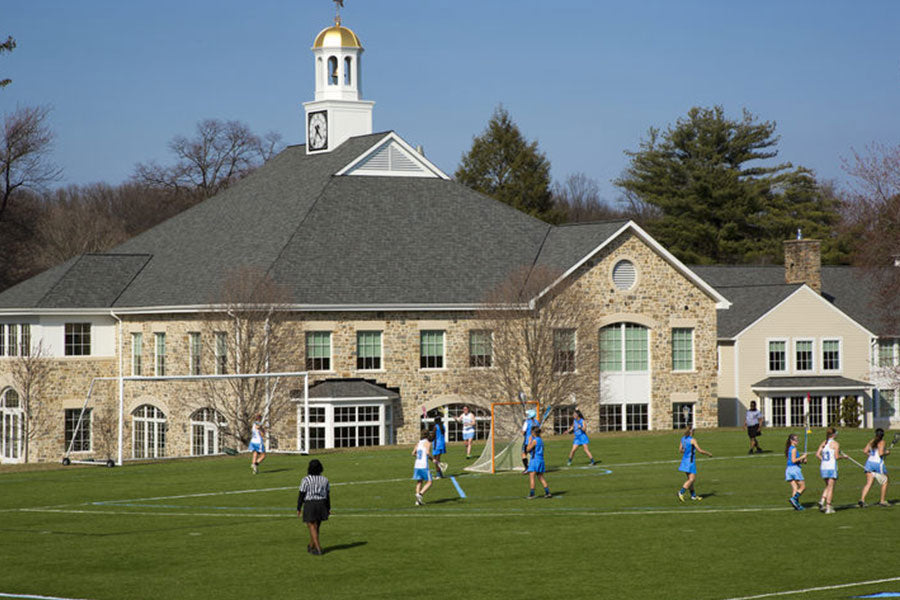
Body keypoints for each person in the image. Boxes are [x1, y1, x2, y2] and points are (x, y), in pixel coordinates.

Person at [297, 459, 330, 556]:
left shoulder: (306, 480)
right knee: (317, 526)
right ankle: (311, 545)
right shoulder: (325, 480)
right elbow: (327, 495)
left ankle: (318, 548)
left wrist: (299, 507)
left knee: (311, 525)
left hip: (310, 503)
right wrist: (328, 508)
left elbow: (302, 494)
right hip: (322, 503)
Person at [677, 426, 712, 502]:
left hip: (684, 461)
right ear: (691, 432)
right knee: (692, 479)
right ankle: (681, 492)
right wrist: (708, 453)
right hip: (690, 462)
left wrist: (686, 451)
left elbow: (680, 450)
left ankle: (693, 496)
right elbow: (700, 450)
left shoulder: (683, 438)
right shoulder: (692, 440)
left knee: (690, 479)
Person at [859, 427, 890, 508]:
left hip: (869, 463)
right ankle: (882, 501)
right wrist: (887, 452)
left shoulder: (872, 441)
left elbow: (865, 451)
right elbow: (880, 453)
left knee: (869, 483)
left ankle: (862, 499)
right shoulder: (882, 442)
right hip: (877, 464)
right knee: (885, 481)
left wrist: (872, 455)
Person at [815, 427, 842, 514]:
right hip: (831, 467)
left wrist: (823, 460)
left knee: (827, 485)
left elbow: (817, 454)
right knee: (831, 487)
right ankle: (828, 506)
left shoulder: (824, 442)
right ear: (833, 434)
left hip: (823, 467)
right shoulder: (835, 444)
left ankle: (822, 501)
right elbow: (837, 457)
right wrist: (844, 457)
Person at [525, 426, 551, 499]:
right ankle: (548, 492)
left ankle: (532, 494)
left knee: (532, 477)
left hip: (534, 460)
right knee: (540, 477)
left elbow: (527, 449)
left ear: (533, 433)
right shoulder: (540, 440)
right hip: (541, 460)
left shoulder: (535, 441)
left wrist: (529, 441)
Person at [785, 433, 808, 510]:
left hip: (789, 469)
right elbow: (794, 460)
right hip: (795, 470)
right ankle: (794, 499)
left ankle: (796, 506)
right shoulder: (794, 449)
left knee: (795, 488)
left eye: (798, 439)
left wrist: (803, 460)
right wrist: (802, 456)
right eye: (796, 440)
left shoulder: (790, 448)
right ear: (791, 440)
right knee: (803, 487)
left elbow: (793, 460)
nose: (797, 441)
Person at [413, 430, 434, 506]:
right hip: (423, 465)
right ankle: (420, 494)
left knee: (419, 482)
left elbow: (413, 453)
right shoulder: (428, 442)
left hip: (417, 465)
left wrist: (419, 457)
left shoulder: (418, 443)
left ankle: (417, 501)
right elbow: (428, 453)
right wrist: (433, 459)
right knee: (430, 482)